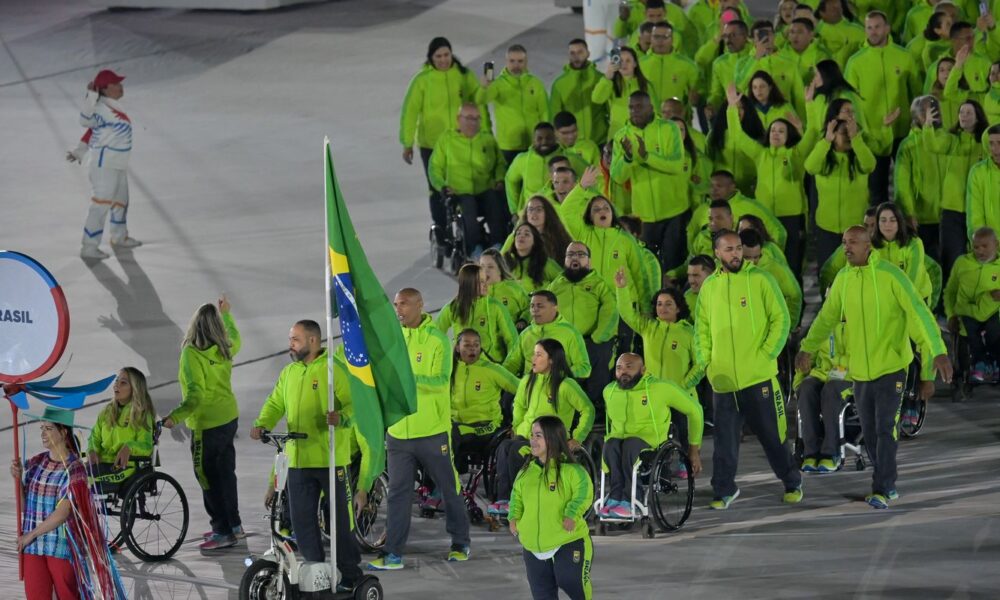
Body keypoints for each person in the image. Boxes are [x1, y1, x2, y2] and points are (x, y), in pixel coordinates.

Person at [797, 226, 952, 509]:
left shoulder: (891, 276)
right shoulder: (843, 279)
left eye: (853, 242)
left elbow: (919, 314)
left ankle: (884, 487)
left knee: (885, 428)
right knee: (869, 433)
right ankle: (883, 482)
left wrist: (937, 351)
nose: (847, 247)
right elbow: (826, 319)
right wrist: (808, 347)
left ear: (868, 245)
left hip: (891, 367)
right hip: (860, 372)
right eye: (844, 242)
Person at [250, 321, 362, 591]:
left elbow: (355, 404)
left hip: (330, 460)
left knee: (339, 521)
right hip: (298, 461)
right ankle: (317, 571)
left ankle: (350, 573)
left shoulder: (334, 370)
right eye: (290, 338)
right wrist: (262, 423)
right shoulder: (289, 372)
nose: (291, 344)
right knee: (302, 522)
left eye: (295, 339)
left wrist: (342, 417)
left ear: (313, 341)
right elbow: (276, 402)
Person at [695, 230, 801, 509]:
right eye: (728, 249)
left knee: (773, 437)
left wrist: (767, 355)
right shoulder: (709, 287)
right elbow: (701, 329)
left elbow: (781, 319)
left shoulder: (761, 279)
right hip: (724, 380)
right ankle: (724, 489)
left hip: (759, 377)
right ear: (717, 253)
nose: (735, 254)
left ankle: (792, 481)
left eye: (738, 248)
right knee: (724, 441)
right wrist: (707, 362)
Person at [369, 289, 471, 569]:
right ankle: (393, 553)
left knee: (449, 488)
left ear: (420, 305)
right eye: (396, 304)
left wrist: (409, 378)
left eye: (404, 304)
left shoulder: (437, 339)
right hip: (399, 433)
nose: (398, 309)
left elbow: (440, 381)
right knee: (398, 494)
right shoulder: (394, 338)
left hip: (432, 431)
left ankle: (460, 542)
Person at [13, 407, 122, 600]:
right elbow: (25, 506)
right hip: (33, 548)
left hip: (60, 547)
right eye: (42, 429)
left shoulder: (75, 468)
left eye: (48, 429)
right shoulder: (36, 463)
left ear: (63, 432)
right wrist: (18, 479)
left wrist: (31, 535)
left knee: (68, 595)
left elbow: (63, 512)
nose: (43, 434)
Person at [163, 295, 242, 550]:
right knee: (226, 474)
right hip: (229, 418)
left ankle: (221, 531)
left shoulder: (191, 354)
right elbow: (235, 336)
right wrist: (227, 314)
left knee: (207, 477)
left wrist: (175, 416)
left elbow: (195, 396)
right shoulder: (225, 346)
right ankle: (235, 525)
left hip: (206, 425)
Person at [491, 340, 595, 517]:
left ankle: (522, 500)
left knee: (517, 450)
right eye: (534, 353)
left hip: (552, 438)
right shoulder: (527, 381)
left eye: (539, 354)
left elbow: (588, 409)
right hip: (527, 435)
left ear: (552, 360)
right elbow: (519, 405)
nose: (533, 358)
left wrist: (578, 437)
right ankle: (505, 499)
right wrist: (517, 425)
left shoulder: (565, 385)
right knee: (504, 448)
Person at [400, 37, 483, 250]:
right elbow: (410, 112)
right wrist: (407, 142)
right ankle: (443, 230)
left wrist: (487, 86)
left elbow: (479, 98)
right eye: (438, 56)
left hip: (459, 142)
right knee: (437, 188)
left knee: (463, 184)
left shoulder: (463, 76)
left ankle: (467, 227)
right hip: (431, 144)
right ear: (431, 58)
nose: (443, 60)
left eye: (446, 55)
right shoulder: (422, 80)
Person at [600, 353, 703, 518]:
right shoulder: (609, 391)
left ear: (643, 369)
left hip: (652, 443)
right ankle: (615, 497)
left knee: (630, 444)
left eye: (629, 367)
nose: (623, 372)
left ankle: (632, 499)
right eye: (619, 368)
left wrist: (694, 449)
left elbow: (695, 411)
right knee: (610, 444)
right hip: (621, 442)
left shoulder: (661, 388)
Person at [725, 84, 812, 276]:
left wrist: (808, 107)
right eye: (773, 130)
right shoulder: (760, 154)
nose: (776, 133)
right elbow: (738, 137)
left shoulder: (795, 155)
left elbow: (811, 135)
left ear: (789, 135)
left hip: (791, 217)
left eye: (781, 131)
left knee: (792, 265)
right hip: (766, 218)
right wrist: (732, 107)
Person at [508, 416, 593, 600]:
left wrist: (572, 514)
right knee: (542, 594)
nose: (532, 440)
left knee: (571, 582)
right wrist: (513, 518)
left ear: (553, 438)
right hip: (532, 547)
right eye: (532, 435)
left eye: (538, 435)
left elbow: (584, 494)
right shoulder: (525, 472)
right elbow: (516, 497)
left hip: (567, 541)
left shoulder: (572, 471)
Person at [844, 10, 921, 204]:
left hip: (903, 132)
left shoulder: (905, 57)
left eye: (877, 27)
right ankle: (880, 229)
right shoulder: (855, 62)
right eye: (869, 27)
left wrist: (916, 122)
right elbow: (850, 100)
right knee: (876, 188)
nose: (873, 31)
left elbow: (917, 93)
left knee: (909, 183)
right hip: (873, 134)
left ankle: (908, 227)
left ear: (887, 28)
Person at [610, 91, 689, 272]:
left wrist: (646, 157)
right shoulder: (622, 136)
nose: (634, 111)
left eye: (639, 106)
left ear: (651, 108)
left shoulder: (669, 129)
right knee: (647, 267)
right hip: (643, 216)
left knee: (672, 267)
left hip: (673, 212)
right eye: (631, 107)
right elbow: (617, 176)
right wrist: (628, 159)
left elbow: (676, 165)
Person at [75, 69, 141, 259]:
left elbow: (92, 132)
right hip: (104, 165)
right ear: (105, 89)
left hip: (118, 164)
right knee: (101, 204)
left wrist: (80, 149)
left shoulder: (113, 108)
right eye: (116, 83)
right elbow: (84, 120)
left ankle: (119, 237)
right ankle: (88, 247)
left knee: (121, 202)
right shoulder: (99, 108)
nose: (121, 86)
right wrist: (91, 96)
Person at [428, 103, 509, 255]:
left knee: (495, 203)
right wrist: (442, 186)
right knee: (468, 206)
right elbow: (435, 168)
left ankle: (498, 244)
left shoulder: (487, 140)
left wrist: (499, 179)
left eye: (477, 118)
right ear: (459, 119)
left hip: (484, 189)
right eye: (469, 118)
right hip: (459, 192)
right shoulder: (447, 140)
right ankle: (474, 249)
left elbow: (500, 164)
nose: (473, 122)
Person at [548, 242, 619, 403]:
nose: (575, 258)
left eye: (581, 254)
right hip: (564, 340)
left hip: (593, 339)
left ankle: (598, 411)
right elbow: (543, 305)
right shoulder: (556, 284)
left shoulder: (599, 284)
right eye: (570, 254)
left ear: (589, 261)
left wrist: (598, 337)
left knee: (598, 359)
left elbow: (611, 308)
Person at [558, 169, 649, 294]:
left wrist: (646, 309)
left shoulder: (625, 239)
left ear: (612, 214)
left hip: (624, 304)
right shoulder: (584, 234)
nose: (602, 211)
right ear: (590, 217)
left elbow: (639, 275)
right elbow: (565, 211)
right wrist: (581, 187)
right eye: (596, 209)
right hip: (594, 300)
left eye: (606, 208)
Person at [805, 116, 877, 269]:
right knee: (828, 272)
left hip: (855, 228)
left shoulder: (859, 158)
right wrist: (826, 141)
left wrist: (856, 138)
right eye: (842, 132)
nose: (846, 136)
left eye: (849, 132)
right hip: (827, 228)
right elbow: (810, 167)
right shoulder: (824, 159)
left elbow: (870, 165)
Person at [615, 267, 702, 390]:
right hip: (654, 397)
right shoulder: (648, 327)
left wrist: (682, 387)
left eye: (668, 304)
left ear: (678, 308)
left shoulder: (690, 333)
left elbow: (699, 365)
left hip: (681, 397)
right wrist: (621, 288)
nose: (662, 308)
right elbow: (626, 313)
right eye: (659, 304)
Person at [450, 329, 520, 473]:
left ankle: (448, 482)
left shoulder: (492, 370)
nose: (472, 349)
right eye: (467, 345)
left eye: (476, 345)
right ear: (457, 347)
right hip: (456, 422)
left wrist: (518, 421)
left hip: (487, 425)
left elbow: (522, 389)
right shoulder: (450, 369)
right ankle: (432, 483)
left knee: (452, 432)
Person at [794, 318, 852, 473]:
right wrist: (798, 383)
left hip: (850, 377)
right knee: (806, 388)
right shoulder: (825, 319)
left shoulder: (861, 316)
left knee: (830, 390)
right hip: (823, 373)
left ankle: (831, 452)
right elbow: (808, 350)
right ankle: (810, 452)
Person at [944, 227, 1000, 382]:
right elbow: (950, 291)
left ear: (996, 244)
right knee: (968, 328)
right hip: (966, 313)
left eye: (985, 246)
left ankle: (995, 363)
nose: (980, 251)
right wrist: (950, 315)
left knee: (994, 328)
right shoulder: (962, 263)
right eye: (976, 247)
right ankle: (980, 363)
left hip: (991, 312)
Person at [479, 44, 549, 164]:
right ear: (506, 62)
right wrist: (483, 87)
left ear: (526, 62)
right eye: (512, 61)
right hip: (508, 146)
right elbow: (481, 100)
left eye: (520, 61)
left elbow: (544, 111)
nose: (516, 65)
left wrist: (546, 136)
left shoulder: (535, 83)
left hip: (533, 144)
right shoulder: (498, 84)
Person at [437, 263, 518, 364]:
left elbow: (512, 340)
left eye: (485, 280)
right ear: (468, 283)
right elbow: (435, 335)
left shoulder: (495, 307)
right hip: (462, 366)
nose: (486, 284)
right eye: (481, 281)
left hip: (492, 365)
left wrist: (509, 367)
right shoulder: (452, 308)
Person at [87, 367, 154, 489]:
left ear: (135, 389)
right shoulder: (106, 411)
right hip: (103, 464)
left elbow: (146, 446)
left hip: (127, 468)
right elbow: (94, 436)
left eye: (123, 383)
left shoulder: (141, 414)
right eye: (117, 381)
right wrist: (92, 450)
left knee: (87, 483)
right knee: (72, 477)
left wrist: (129, 447)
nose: (116, 385)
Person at [503, 290, 592, 379]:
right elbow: (512, 363)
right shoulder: (526, 334)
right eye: (532, 306)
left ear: (554, 308)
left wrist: (557, 375)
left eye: (540, 306)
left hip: (557, 387)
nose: (535, 310)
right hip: (527, 387)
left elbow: (584, 367)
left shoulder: (570, 333)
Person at [733, 21, 806, 120]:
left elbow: (799, 99)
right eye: (760, 35)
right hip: (754, 120)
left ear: (774, 36)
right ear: (752, 40)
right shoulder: (743, 63)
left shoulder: (789, 63)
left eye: (768, 34)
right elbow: (739, 87)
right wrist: (755, 59)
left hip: (782, 123)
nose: (765, 38)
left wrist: (803, 126)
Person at [871, 202, 934, 303]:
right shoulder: (870, 245)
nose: (887, 225)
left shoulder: (914, 243)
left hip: (916, 297)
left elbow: (913, 280)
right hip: (884, 299)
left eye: (892, 220)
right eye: (883, 220)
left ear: (899, 222)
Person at [740, 229, 803, 327]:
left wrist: (790, 327)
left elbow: (795, 295)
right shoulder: (729, 269)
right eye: (747, 257)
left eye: (756, 257)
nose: (752, 262)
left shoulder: (775, 269)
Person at [550, 39, 609, 145]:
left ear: (588, 53)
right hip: (572, 144)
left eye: (580, 52)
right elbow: (555, 117)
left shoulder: (600, 79)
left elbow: (610, 109)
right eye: (572, 53)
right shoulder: (559, 84)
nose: (576, 56)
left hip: (599, 142)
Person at [592, 46, 656, 140]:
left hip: (642, 136)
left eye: (628, 61)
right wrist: (607, 78)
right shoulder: (610, 84)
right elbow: (597, 99)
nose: (624, 64)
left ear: (635, 63)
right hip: (617, 135)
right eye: (620, 61)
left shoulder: (645, 85)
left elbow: (655, 111)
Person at [641, 21, 702, 110]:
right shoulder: (640, 64)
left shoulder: (688, 66)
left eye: (665, 37)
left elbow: (698, 94)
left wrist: (696, 98)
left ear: (672, 39)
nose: (660, 41)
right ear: (651, 39)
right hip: (649, 120)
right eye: (656, 37)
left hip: (677, 119)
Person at [505, 123, 562, 215]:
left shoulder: (567, 157)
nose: (544, 142)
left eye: (549, 138)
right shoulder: (522, 159)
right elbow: (510, 180)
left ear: (555, 139)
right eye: (539, 138)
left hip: (559, 214)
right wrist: (514, 211)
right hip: (530, 214)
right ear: (533, 140)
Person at [502, 195, 574, 261]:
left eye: (538, 209)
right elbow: (500, 262)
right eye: (530, 209)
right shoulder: (514, 237)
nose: (534, 213)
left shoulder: (560, 236)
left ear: (547, 213)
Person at [503, 222, 564, 291]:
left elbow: (563, 282)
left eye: (527, 234)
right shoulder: (506, 263)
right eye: (518, 233)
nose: (521, 236)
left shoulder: (544, 262)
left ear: (534, 241)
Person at [480, 248, 531, 330]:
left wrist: (523, 320)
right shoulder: (476, 291)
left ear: (500, 270)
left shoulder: (513, 288)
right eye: (482, 266)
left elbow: (529, 306)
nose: (485, 271)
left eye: (490, 267)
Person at [965, 124, 1000, 241]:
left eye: (999, 143)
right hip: (989, 251)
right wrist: (981, 245)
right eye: (991, 143)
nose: (995, 149)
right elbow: (974, 215)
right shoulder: (977, 172)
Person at [780, 17, 832, 88]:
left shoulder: (821, 56)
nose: (795, 36)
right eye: (792, 32)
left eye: (800, 32)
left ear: (811, 35)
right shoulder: (780, 55)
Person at [814, 0, 865, 68]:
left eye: (839, 7)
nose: (837, 11)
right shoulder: (816, 30)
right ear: (822, 13)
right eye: (833, 9)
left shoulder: (857, 31)